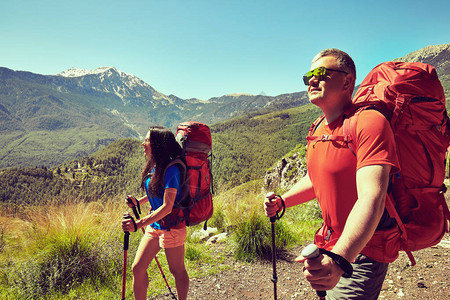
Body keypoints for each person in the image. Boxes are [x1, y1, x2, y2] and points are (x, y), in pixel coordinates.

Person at [264, 48, 401, 299]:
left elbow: (373, 197)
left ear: (347, 81)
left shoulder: (369, 122)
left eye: (321, 73)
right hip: (331, 242)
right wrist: (284, 201)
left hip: (364, 247)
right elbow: (317, 179)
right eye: (308, 77)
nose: (312, 80)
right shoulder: (318, 127)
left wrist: (340, 258)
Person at [122, 126, 189, 300]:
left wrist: (138, 224)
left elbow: (168, 206)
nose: (143, 144)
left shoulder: (172, 170)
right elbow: (156, 191)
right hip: (156, 224)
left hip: (172, 227)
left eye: (147, 141)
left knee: (177, 270)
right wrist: (139, 201)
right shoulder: (156, 166)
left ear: (158, 145)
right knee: (138, 268)